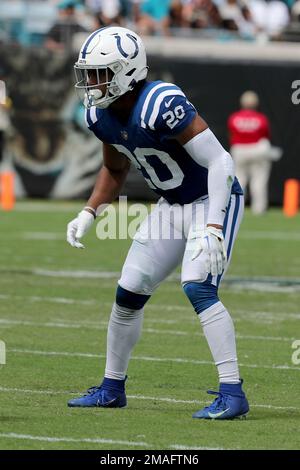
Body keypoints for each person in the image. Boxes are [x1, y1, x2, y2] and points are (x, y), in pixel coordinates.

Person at [66, 26, 249, 419]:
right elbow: (113, 169)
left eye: (100, 73)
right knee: (128, 291)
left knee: (198, 286)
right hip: (172, 204)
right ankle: (112, 388)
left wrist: (215, 226)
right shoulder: (99, 114)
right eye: (89, 74)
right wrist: (89, 211)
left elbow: (221, 162)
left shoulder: (161, 102)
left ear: (127, 71)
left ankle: (232, 392)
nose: (91, 83)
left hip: (212, 198)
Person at [228, 91, 281, 215]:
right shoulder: (260, 118)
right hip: (257, 149)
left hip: (239, 149)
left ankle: (236, 206)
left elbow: (231, 134)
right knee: (259, 180)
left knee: (239, 179)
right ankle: (259, 209)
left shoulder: (234, 117)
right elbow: (266, 135)